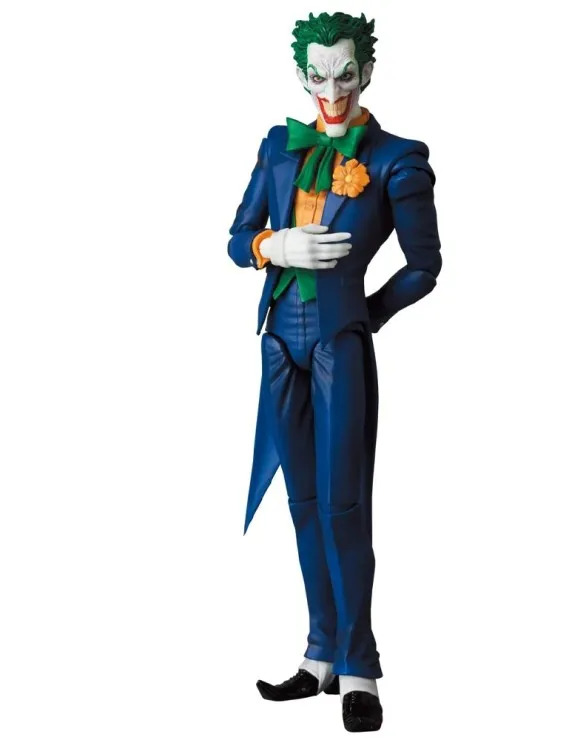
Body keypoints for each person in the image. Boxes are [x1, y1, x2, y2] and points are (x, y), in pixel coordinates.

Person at [227, 12, 442, 732]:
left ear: (367, 71)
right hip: (278, 345)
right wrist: (273, 245)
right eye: (317, 74)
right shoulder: (277, 147)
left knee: (344, 505)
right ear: (301, 74)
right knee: (303, 504)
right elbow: (236, 240)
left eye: (345, 73)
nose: (332, 89)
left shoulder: (397, 159)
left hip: (337, 346)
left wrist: (364, 314)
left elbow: (425, 265)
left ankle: (360, 667)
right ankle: (319, 652)